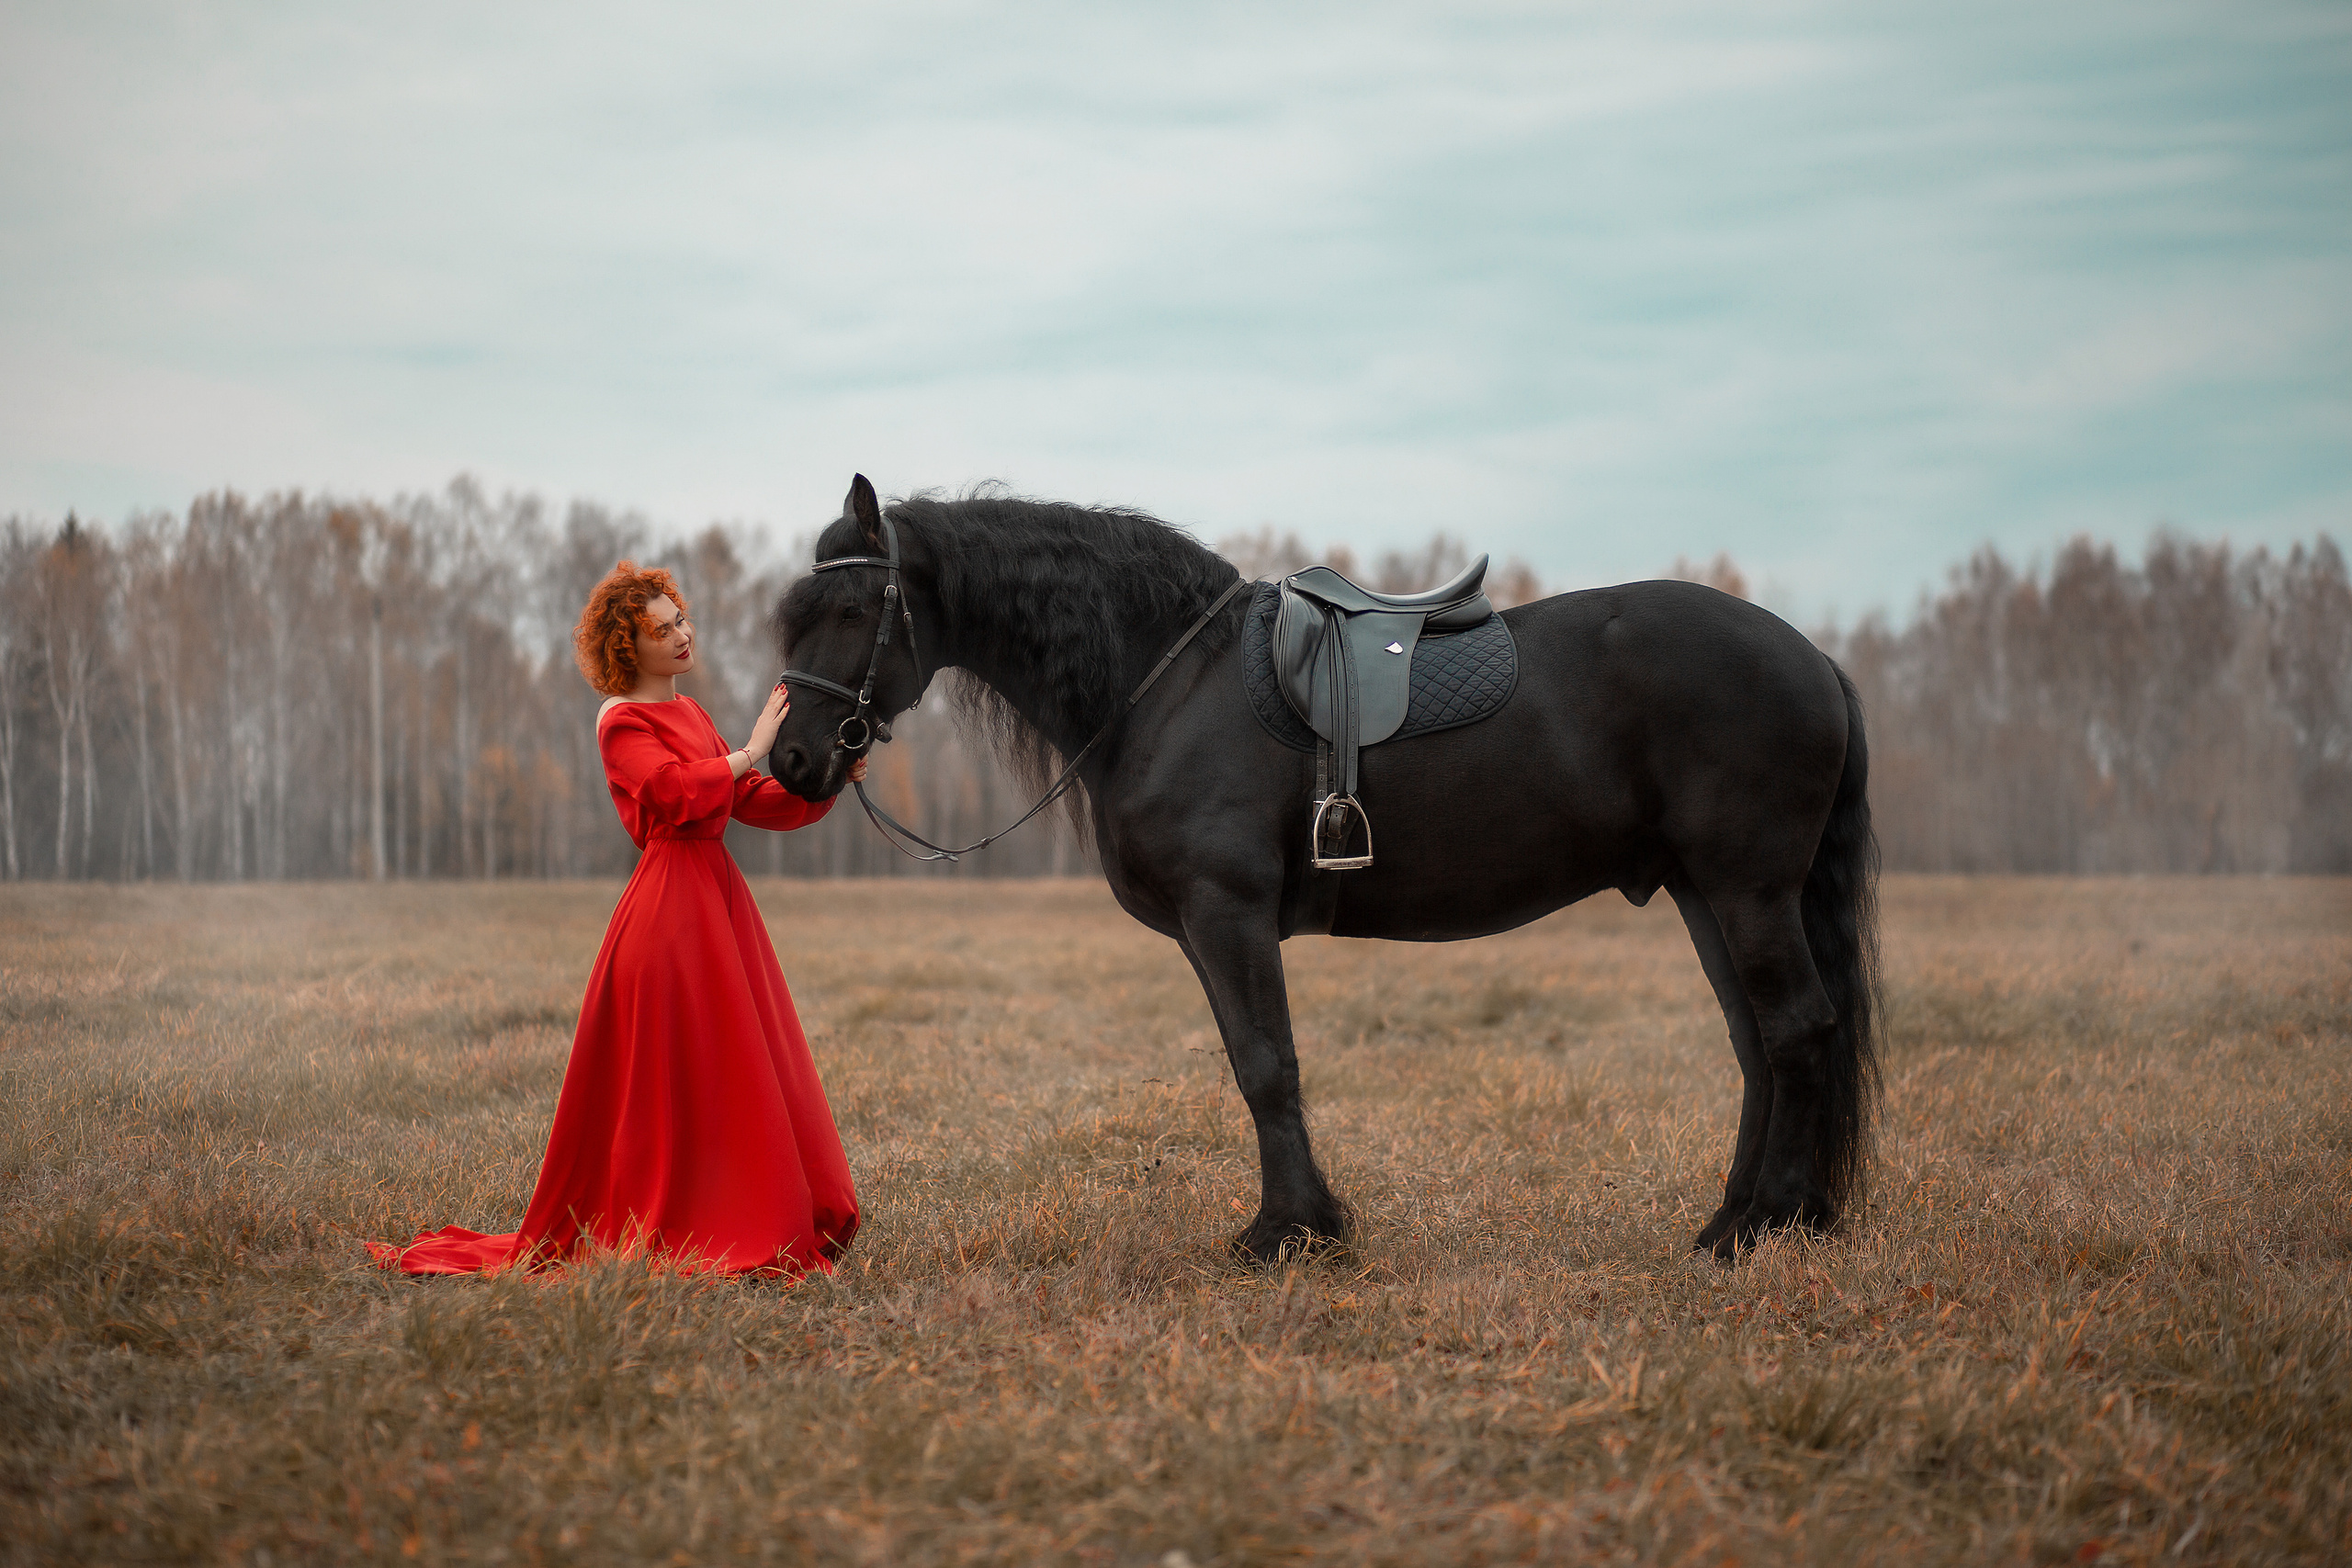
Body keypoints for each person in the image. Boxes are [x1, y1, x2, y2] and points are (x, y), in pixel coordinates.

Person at [369, 561, 862, 1278]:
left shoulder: (692, 715)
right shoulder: (619, 719)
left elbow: (751, 799)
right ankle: (689, 1222)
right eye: (662, 629)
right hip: (667, 915)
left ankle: (738, 1208)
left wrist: (829, 779)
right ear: (629, 648)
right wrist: (748, 750)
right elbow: (669, 792)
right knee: (679, 1079)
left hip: (718, 900)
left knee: (730, 1072)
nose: (682, 635)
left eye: (681, 618)